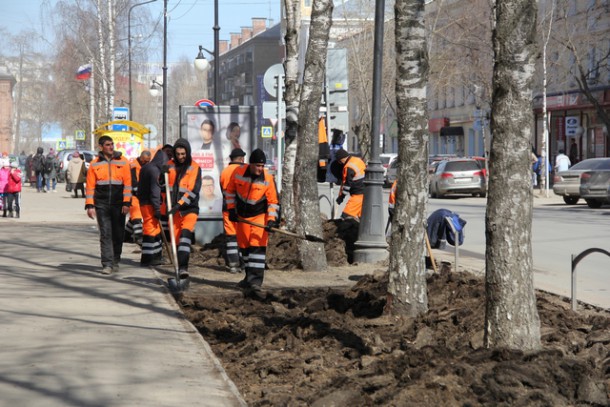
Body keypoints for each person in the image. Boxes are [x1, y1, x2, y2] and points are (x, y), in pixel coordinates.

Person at [226, 148, 279, 298]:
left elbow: (273, 202)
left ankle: (256, 282)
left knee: (257, 249)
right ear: (250, 164)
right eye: (257, 165)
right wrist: (231, 210)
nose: (260, 169)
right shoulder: (238, 173)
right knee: (245, 248)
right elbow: (230, 191)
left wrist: (271, 220)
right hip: (242, 217)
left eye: (262, 166)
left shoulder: (268, 179)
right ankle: (249, 278)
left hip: (259, 217)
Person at [85, 136, 132, 275]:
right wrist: (89, 205)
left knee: (118, 234)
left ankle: (116, 259)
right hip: (101, 204)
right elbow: (90, 187)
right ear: (101, 147)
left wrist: (127, 203)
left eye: (112, 144)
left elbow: (128, 185)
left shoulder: (123, 162)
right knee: (105, 234)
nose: (111, 147)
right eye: (107, 145)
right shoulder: (94, 164)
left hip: (119, 204)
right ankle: (107, 264)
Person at [167, 139, 201, 279]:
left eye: (183, 154)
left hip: (189, 209)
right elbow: (162, 184)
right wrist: (161, 178)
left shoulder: (194, 167)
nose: (181, 157)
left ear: (188, 153)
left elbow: (193, 191)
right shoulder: (169, 166)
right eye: (178, 154)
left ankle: (183, 268)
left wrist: (179, 205)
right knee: (175, 240)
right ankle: (177, 266)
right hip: (173, 212)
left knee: (185, 238)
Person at [137, 149, 167, 266]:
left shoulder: (146, 168)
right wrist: (157, 208)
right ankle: (148, 258)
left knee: (154, 229)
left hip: (144, 202)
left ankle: (156, 256)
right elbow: (155, 191)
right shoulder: (155, 171)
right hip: (150, 204)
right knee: (150, 229)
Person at [220, 148, 246, 273]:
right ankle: (243, 263)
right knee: (243, 235)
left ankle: (233, 264)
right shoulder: (243, 170)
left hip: (227, 209)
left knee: (230, 237)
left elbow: (223, 191)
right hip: (242, 210)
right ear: (241, 159)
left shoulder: (224, 172)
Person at [125, 150, 151, 245]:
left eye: (148, 160)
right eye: (145, 160)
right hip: (133, 195)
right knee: (136, 215)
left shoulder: (146, 166)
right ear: (141, 158)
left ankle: (126, 235)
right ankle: (138, 236)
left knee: (134, 216)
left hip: (142, 194)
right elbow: (132, 182)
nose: (147, 162)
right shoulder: (133, 166)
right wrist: (138, 191)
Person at [334, 148, 366, 221]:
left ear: (341, 160)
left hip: (358, 196)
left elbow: (347, 185)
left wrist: (341, 198)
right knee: (361, 220)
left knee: (345, 217)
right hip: (364, 194)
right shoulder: (358, 160)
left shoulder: (349, 166)